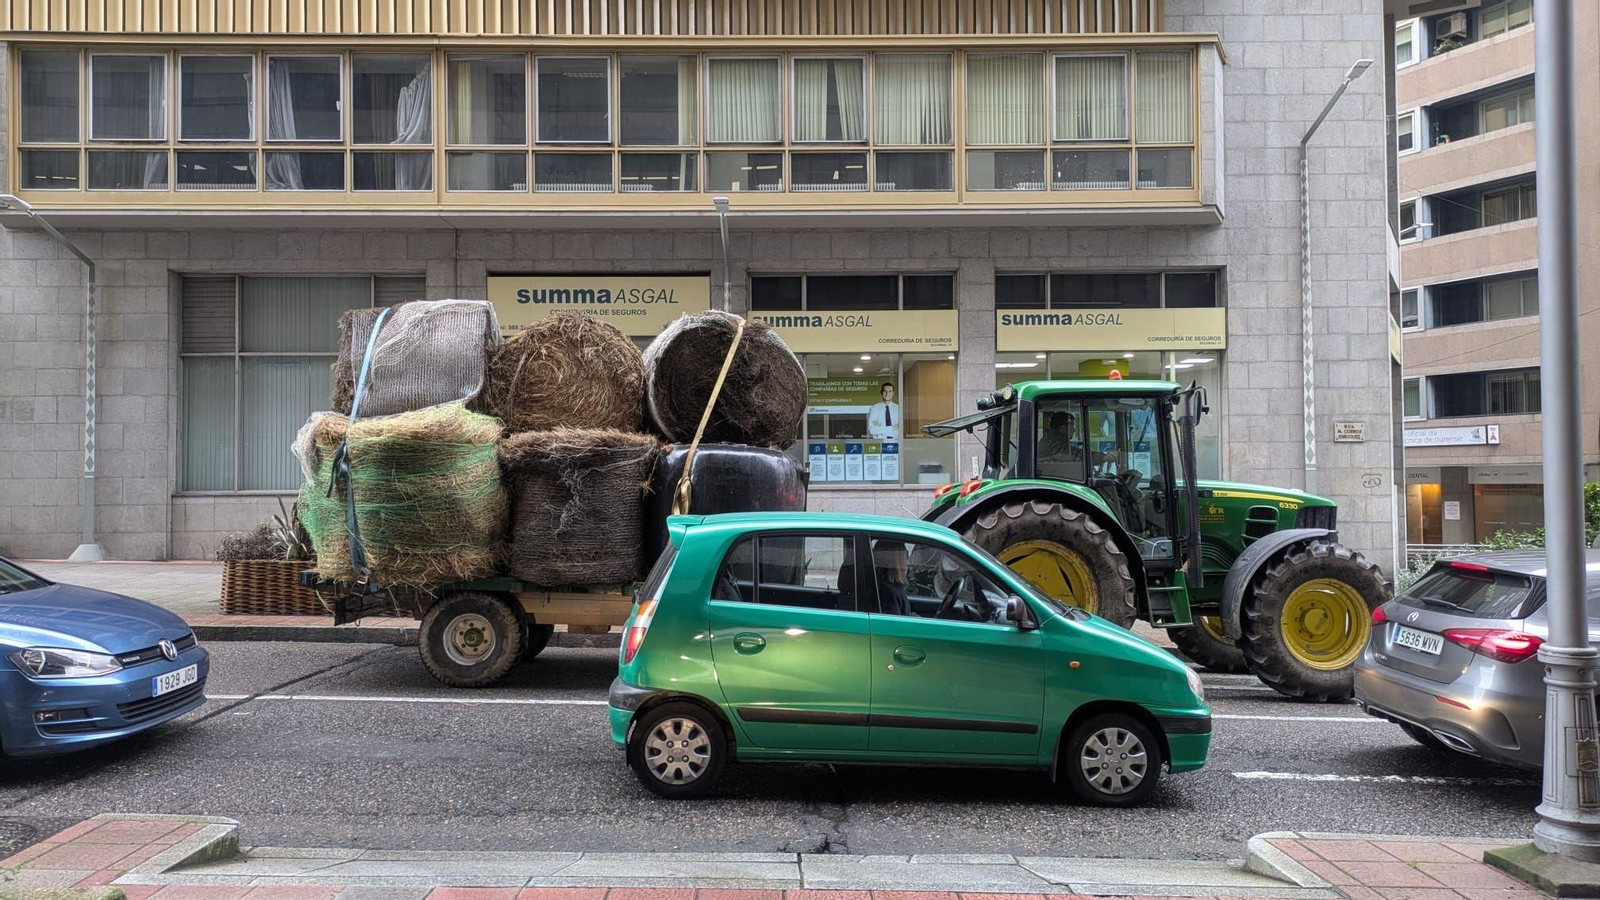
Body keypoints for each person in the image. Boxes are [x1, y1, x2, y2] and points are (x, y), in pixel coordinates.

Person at [872, 541, 909, 616]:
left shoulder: (885, 589)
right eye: (906, 557)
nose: (908, 563)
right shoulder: (889, 594)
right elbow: (897, 625)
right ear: (898, 563)